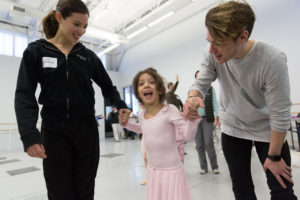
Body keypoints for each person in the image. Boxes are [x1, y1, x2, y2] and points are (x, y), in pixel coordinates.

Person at [184, 1, 298, 199]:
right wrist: (192, 98)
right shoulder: (212, 52)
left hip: (267, 129)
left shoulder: (271, 60)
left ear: (243, 36)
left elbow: (280, 114)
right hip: (234, 128)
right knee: (242, 189)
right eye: (209, 41)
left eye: (218, 42)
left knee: (282, 191)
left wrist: (274, 156)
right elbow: (201, 82)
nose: (211, 49)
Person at [14, 0, 127, 199]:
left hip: (86, 132)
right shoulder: (36, 51)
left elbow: (108, 87)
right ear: (59, 18)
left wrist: (120, 105)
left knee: (85, 190)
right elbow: (24, 94)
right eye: (76, 24)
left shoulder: (88, 56)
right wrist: (29, 134)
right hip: (54, 133)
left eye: (85, 26)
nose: (82, 31)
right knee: (59, 192)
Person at [119, 67, 200, 200]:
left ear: (160, 89)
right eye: (141, 83)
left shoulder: (170, 110)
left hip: (172, 172)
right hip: (153, 171)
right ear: (138, 94)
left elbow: (188, 136)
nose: (146, 85)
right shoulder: (142, 114)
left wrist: (191, 120)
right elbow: (143, 128)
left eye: (151, 82)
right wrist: (127, 124)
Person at [194, 70, 220, 175]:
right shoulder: (194, 91)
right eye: (197, 77)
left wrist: (218, 116)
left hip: (207, 119)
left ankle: (215, 166)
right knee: (199, 145)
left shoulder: (210, 88)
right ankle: (203, 167)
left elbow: (215, 103)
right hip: (196, 120)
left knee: (209, 143)